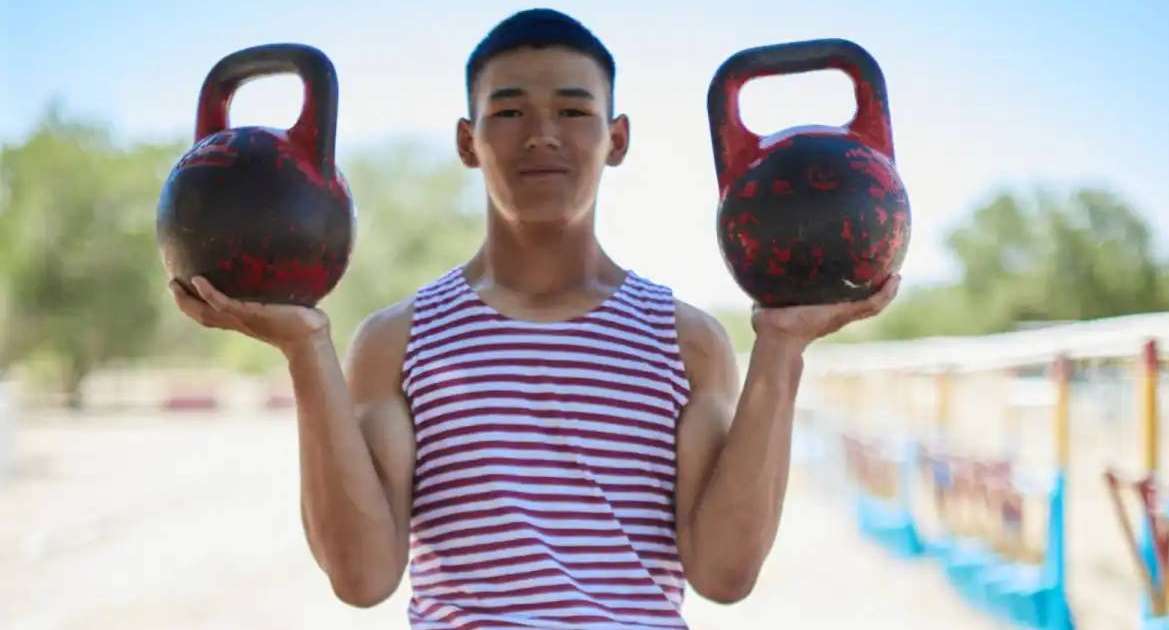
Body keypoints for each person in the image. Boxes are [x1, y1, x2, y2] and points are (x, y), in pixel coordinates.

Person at [170, 8, 899, 629]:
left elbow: (724, 575)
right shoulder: (397, 343)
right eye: (510, 111)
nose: (541, 134)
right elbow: (362, 580)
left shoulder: (687, 343)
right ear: (468, 140)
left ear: (617, 139)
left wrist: (781, 348)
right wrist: (305, 351)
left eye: (575, 112)